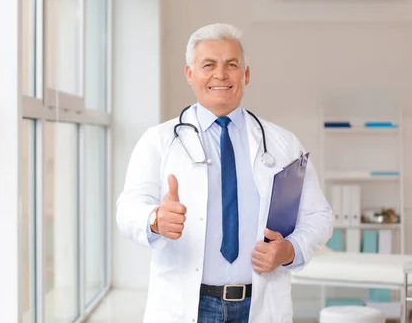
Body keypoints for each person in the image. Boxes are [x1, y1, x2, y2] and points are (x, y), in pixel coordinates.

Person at [116, 23, 333, 323]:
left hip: (259, 304)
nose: (221, 74)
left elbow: (319, 216)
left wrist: (289, 251)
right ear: (190, 74)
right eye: (208, 65)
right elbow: (127, 210)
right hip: (187, 306)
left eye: (232, 65)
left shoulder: (283, 144)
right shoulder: (159, 141)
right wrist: (155, 220)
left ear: (246, 75)